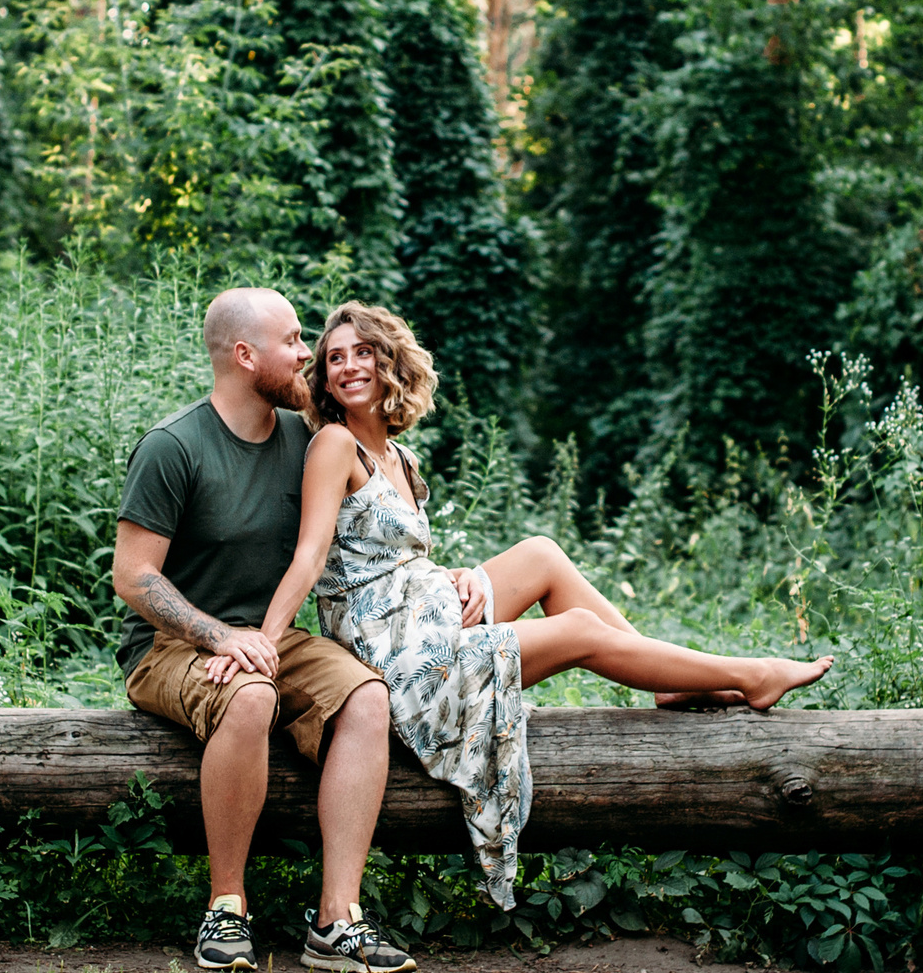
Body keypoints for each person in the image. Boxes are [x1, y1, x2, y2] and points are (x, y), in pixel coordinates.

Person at [218, 301, 834, 908]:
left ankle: (666, 681)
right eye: (333, 359)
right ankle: (750, 675)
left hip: (425, 613)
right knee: (577, 631)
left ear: (390, 364)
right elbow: (310, 558)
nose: (347, 366)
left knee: (541, 553)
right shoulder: (332, 446)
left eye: (363, 353)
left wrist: (462, 576)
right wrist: (266, 646)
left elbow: (392, 557)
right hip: (394, 656)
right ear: (324, 378)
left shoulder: (399, 456)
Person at [112, 287, 416, 973]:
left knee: (367, 697)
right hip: (172, 648)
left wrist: (455, 576)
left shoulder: (306, 438)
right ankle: (227, 906)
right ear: (246, 356)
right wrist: (218, 636)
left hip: (271, 637)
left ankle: (338, 921)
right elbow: (132, 576)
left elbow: (382, 478)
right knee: (251, 695)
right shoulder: (173, 446)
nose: (307, 354)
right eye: (293, 341)